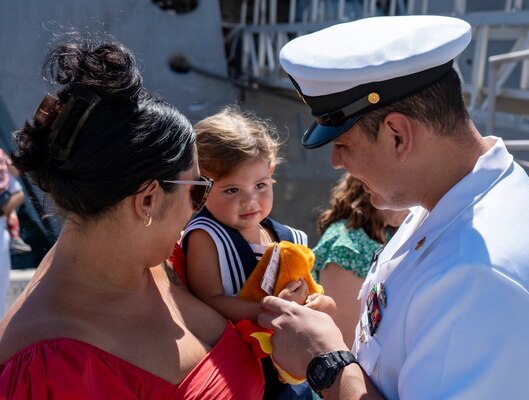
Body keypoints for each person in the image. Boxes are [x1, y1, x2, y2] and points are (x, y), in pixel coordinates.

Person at [257, 15, 529, 399]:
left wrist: (325, 361)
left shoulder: (480, 277)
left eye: (343, 144)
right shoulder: (444, 200)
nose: (336, 162)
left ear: (398, 135)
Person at [0, 35, 265, 399]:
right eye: (197, 189)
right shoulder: (51, 366)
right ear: (148, 200)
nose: (198, 208)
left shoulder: (159, 260)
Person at [175, 105, 334, 399]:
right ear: (201, 187)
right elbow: (207, 301)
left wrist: (316, 304)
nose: (250, 201)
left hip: (292, 373)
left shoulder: (291, 238)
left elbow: (310, 290)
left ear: (271, 173)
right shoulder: (206, 236)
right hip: (241, 374)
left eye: (260, 185)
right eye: (232, 190)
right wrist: (272, 311)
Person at [313, 173, 408, 348]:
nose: (412, 205)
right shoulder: (345, 247)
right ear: (371, 188)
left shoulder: (387, 230)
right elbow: (346, 339)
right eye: (406, 186)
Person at [0, 148, 32, 255]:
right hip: (3, 194)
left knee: (12, 208)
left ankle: (15, 238)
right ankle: (15, 238)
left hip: (5, 197)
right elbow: (15, 172)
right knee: (16, 198)